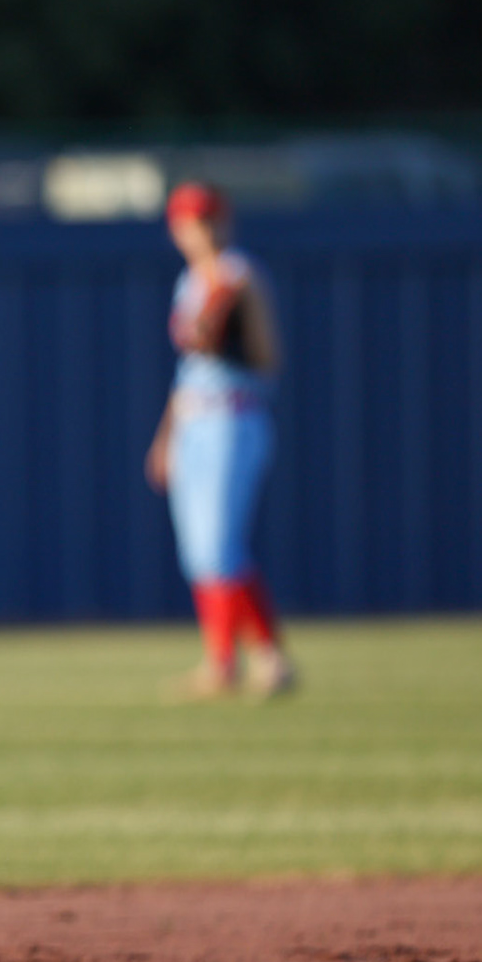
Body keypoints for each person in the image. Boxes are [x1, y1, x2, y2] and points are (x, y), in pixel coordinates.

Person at [145, 181, 296, 700]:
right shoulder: (188, 281)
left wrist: (228, 337)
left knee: (220, 545)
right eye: (190, 220)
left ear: (224, 222)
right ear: (176, 229)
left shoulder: (241, 276)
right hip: (194, 421)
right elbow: (186, 373)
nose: (200, 228)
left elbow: (268, 359)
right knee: (199, 553)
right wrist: (166, 437)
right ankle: (244, 662)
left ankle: (248, 659)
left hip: (235, 414)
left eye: (208, 218)